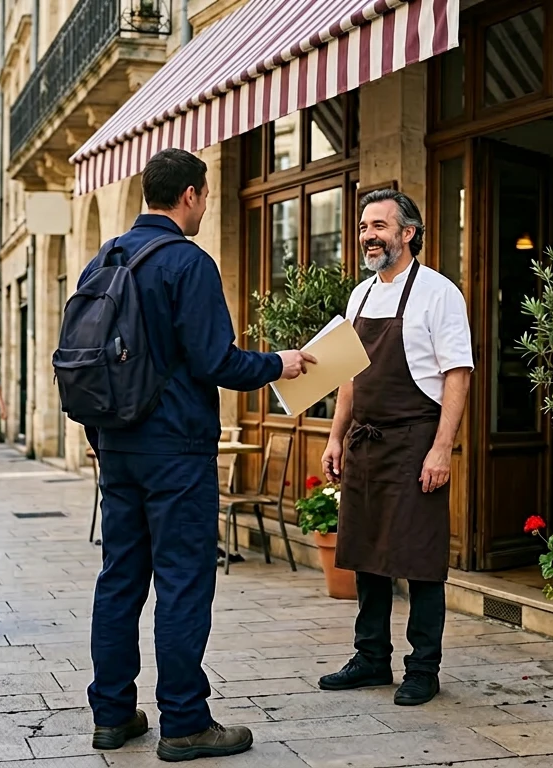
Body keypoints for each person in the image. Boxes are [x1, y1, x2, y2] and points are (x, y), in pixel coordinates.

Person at [79, 148, 314, 762]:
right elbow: (218, 363)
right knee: (183, 579)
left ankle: (111, 714)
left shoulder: (103, 260)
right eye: (206, 196)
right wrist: (279, 364)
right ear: (189, 195)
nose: (207, 206)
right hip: (176, 448)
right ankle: (184, 721)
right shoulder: (188, 263)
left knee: (120, 578)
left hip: (116, 444)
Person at [318, 189, 473, 707]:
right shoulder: (359, 297)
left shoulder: (438, 293)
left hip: (414, 439)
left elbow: (457, 375)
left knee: (420, 559)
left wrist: (441, 448)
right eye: (364, 226)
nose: (368, 235)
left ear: (408, 233)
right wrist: (336, 436)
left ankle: (423, 668)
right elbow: (347, 375)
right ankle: (371, 658)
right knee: (366, 554)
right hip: (366, 440)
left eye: (380, 226)